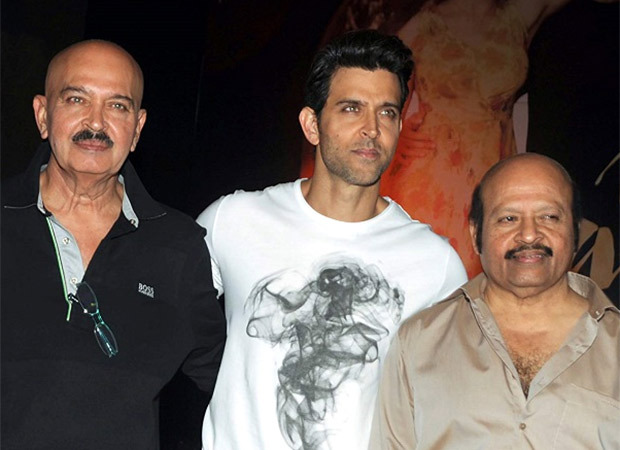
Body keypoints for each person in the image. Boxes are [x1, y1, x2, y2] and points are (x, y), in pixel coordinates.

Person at [197, 30, 467, 450]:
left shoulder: (435, 263)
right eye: (351, 108)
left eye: (387, 112)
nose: (371, 129)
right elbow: (157, 327)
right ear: (312, 125)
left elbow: (450, 406)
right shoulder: (234, 220)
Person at [1, 40, 226, 450]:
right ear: (43, 115)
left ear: (137, 129)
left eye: (118, 106)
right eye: (76, 99)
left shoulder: (179, 247)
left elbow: (231, 379)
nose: (96, 122)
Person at [370, 153, 620, 449]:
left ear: (576, 231)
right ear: (476, 234)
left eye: (549, 217)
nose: (529, 235)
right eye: (508, 219)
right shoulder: (419, 342)